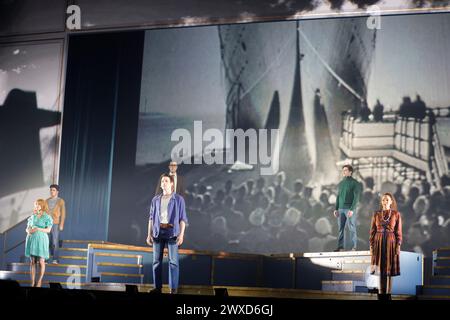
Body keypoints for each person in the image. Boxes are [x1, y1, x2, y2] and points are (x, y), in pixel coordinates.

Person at [146, 174, 188, 294]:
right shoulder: (155, 200)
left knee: (173, 262)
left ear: (171, 184)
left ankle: (173, 289)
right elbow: (151, 218)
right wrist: (149, 234)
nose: (163, 182)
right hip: (158, 232)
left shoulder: (179, 199)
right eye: (162, 181)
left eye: (166, 180)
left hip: (172, 233)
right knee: (156, 261)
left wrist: (181, 235)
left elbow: (183, 219)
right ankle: (157, 288)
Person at [369, 193, 402, 299]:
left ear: (391, 201)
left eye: (387, 200)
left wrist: (398, 246)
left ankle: (388, 294)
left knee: (389, 269)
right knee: (379, 269)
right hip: (378, 242)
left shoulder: (396, 214)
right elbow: (372, 231)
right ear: (381, 201)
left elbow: (398, 232)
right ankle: (380, 293)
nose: (385, 201)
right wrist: (371, 246)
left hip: (390, 242)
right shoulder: (376, 214)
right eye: (383, 200)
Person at [25, 199, 53, 287]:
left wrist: (37, 229)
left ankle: (39, 281)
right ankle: (32, 281)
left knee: (41, 261)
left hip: (42, 240)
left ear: (42, 206)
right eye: (35, 204)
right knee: (32, 261)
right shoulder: (32, 216)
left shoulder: (47, 217)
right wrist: (28, 231)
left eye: (38, 204)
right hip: (32, 239)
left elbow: (48, 230)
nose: (36, 206)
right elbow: (27, 228)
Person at [333, 165, 361, 251]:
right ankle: (341, 246)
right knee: (341, 228)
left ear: (350, 172)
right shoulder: (341, 183)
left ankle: (354, 246)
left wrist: (352, 209)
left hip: (349, 208)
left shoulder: (355, 183)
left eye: (345, 170)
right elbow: (338, 196)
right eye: (343, 170)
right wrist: (336, 208)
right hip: (341, 208)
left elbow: (356, 197)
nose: (344, 172)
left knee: (351, 227)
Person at [46, 184, 66, 264]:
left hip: (55, 224)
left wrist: (61, 224)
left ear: (57, 192)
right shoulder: (46, 201)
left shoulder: (60, 201)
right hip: (47, 224)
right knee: (46, 242)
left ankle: (55, 259)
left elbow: (63, 214)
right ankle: (45, 259)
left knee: (55, 242)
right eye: (51, 190)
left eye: (53, 190)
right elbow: (43, 212)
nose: (52, 191)